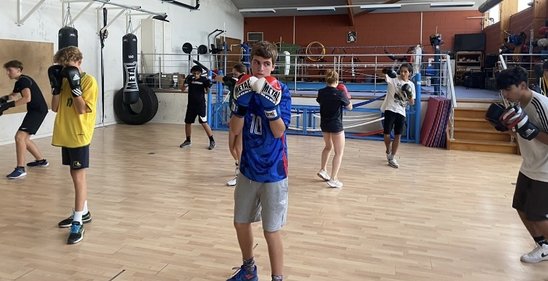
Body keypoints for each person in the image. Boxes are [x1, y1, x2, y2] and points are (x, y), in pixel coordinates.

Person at [227, 41, 292, 281]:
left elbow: (278, 131)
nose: (260, 68)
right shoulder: (242, 88)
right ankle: (248, 270)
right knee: (240, 222)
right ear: (250, 62)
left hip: (274, 170)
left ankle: (277, 278)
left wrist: (270, 108)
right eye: (256, 62)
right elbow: (234, 129)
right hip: (247, 168)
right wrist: (241, 107)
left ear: (273, 66)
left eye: (266, 64)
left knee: (271, 230)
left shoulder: (282, 91)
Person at [486, 66, 548, 263]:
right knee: (520, 207)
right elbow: (520, 132)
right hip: (529, 164)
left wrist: (531, 130)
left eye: (508, 89)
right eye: (502, 90)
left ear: (522, 86)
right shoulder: (516, 104)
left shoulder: (542, 106)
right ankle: (543, 246)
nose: (505, 94)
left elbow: (531, 132)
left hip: (545, 169)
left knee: (537, 214)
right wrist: (506, 128)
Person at [49, 46, 98, 245]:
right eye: (62, 66)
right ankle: (83, 211)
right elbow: (54, 108)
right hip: (65, 133)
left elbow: (82, 109)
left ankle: (78, 221)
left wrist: (76, 88)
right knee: (73, 174)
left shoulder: (88, 81)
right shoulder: (62, 80)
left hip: (79, 134)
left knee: (79, 177)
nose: (64, 70)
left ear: (78, 63)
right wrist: (56, 88)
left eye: (67, 66)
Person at [0, 60, 49, 179]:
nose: (7, 73)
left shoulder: (23, 80)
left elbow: (27, 98)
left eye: (10, 70)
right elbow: (13, 96)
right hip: (36, 110)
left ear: (19, 70)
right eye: (7, 70)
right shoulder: (20, 81)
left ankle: (20, 169)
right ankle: (41, 161)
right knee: (24, 139)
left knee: (19, 137)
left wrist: (6, 107)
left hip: (37, 111)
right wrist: (2, 100)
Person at [316, 70, 352, 188]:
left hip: (324, 125)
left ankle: (323, 169)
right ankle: (333, 178)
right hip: (336, 125)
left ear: (326, 80)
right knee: (339, 152)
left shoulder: (321, 92)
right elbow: (349, 107)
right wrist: (346, 95)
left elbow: (321, 101)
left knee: (328, 147)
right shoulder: (340, 93)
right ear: (336, 81)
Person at [214, 63, 247, 186]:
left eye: (235, 73)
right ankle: (239, 166)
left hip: (243, 118)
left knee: (238, 147)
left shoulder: (243, 83)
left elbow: (221, 79)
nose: (234, 76)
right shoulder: (233, 83)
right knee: (231, 147)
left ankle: (241, 174)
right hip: (234, 116)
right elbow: (218, 79)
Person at [380, 62, 415, 168]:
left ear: (409, 73)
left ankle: (392, 157)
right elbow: (381, 74)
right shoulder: (393, 79)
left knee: (398, 135)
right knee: (386, 133)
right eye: (402, 71)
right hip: (390, 109)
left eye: (405, 72)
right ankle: (388, 149)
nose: (403, 73)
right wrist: (387, 70)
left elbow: (412, 102)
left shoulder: (411, 85)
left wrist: (408, 94)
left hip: (401, 111)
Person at [179, 65, 216, 150]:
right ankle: (188, 140)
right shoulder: (190, 79)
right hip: (191, 105)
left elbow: (208, 91)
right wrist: (185, 83)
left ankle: (212, 141)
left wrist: (209, 85)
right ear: (192, 73)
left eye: (198, 73)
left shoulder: (203, 80)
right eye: (194, 73)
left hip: (200, 105)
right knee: (188, 122)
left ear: (200, 73)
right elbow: (182, 89)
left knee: (203, 122)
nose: (196, 75)